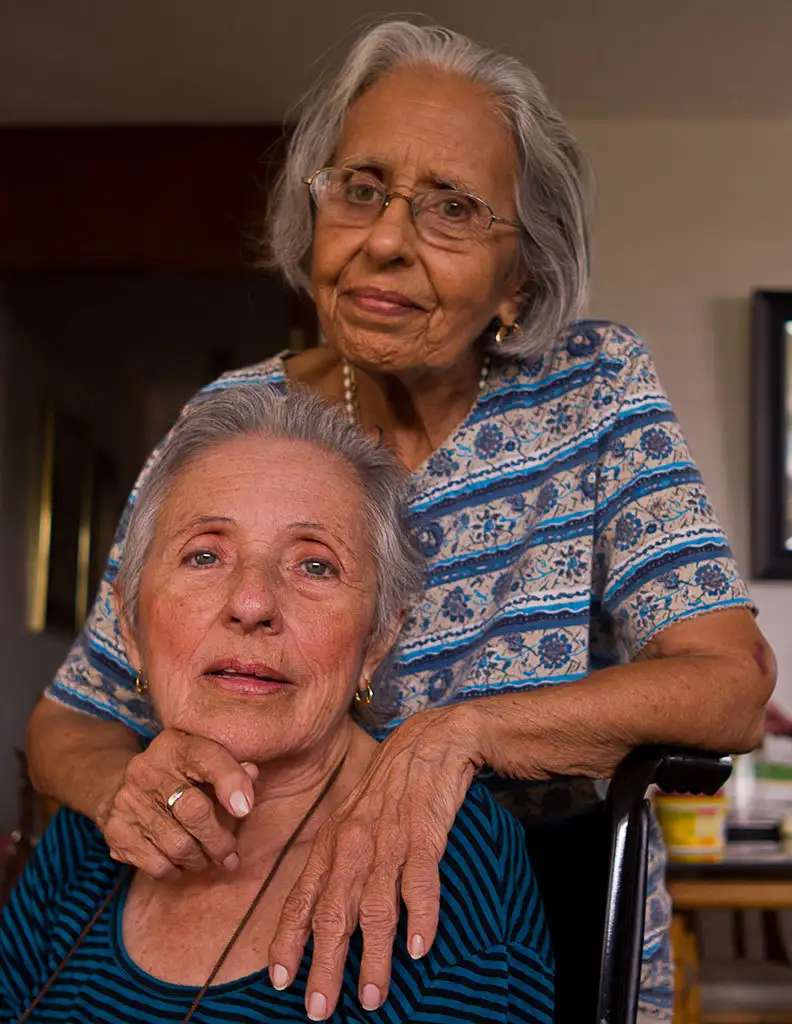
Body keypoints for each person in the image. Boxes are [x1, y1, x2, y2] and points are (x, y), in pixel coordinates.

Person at [26, 19, 774, 1023]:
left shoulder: (591, 391)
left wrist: (463, 734)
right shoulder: (237, 422)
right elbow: (70, 719)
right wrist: (125, 786)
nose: (384, 240)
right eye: (361, 188)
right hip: (245, 922)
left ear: (519, 278)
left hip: (514, 928)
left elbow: (730, 685)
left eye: (453, 208)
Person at [2, 384, 553, 1023]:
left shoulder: (439, 852)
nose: (252, 603)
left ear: (377, 641)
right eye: (204, 555)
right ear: (129, 628)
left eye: (315, 566)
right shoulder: (98, 829)